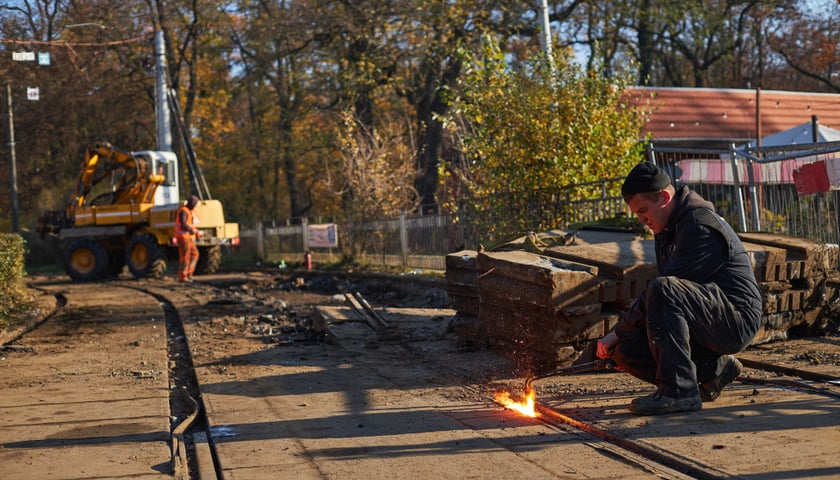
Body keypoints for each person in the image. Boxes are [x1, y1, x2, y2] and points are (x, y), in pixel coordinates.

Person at [595, 162, 762, 415]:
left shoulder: (698, 227)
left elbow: (664, 290)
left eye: (643, 211)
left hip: (735, 319)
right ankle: (715, 370)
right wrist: (621, 339)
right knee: (626, 352)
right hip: (706, 317)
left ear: (663, 197)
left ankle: (679, 392)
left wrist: (616, 332)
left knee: (663, 289)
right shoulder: (668, 228)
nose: (642, 220)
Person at [175, 195, 201, 282]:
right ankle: (183, 276)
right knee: (185, 256)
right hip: (183, 237)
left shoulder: (189, 211)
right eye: (195, 203)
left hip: (187, 237)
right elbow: (183, 224)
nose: (195, 205)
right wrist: (192, 230)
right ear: (191, 203)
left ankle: (189, 273)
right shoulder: (184, 211)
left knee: (195, 254)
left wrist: (195, 231)